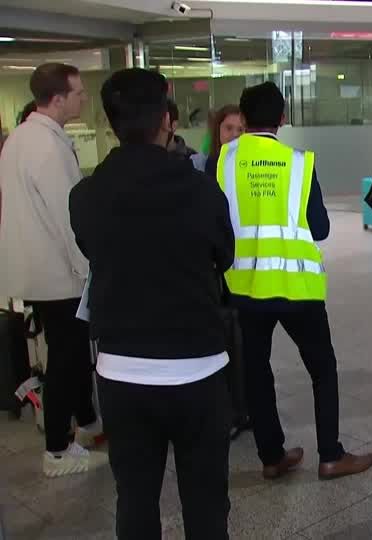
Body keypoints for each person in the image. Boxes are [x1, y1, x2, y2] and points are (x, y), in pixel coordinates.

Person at [69, 68, 234, 540]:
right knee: (206, 501)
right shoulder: (201, 191)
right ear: (166, 120)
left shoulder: (85, 196)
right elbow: (223, 256)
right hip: (198, 368)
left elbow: (91, 248)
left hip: (122, 372)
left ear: (111, 123)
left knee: (136, 498)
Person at [218, 81, 372, 481]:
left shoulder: (223, 162)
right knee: (322, 367)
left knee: (256, 370)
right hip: (297, 287)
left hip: (245, 286)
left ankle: (271, 457)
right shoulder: (299, 163)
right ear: (283, 118)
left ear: (244, 117)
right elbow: (320, 228)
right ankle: (331, 455)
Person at [0, 63, 107, 478]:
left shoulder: (21, 139)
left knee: (68, 352)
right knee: (66, 358)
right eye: (79, 93)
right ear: (58, 99)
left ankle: (87, 425)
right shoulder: (47, 146)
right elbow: (68, 218)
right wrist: (87, 270)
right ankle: (58, 450)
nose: (85, 98)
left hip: (38, 271)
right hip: (59, 274)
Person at [191, 104, 244, 177]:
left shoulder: (255, 165)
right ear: (218, 129)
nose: (235, 134)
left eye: (240, 130)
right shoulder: (198, 166)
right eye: (229, 128)